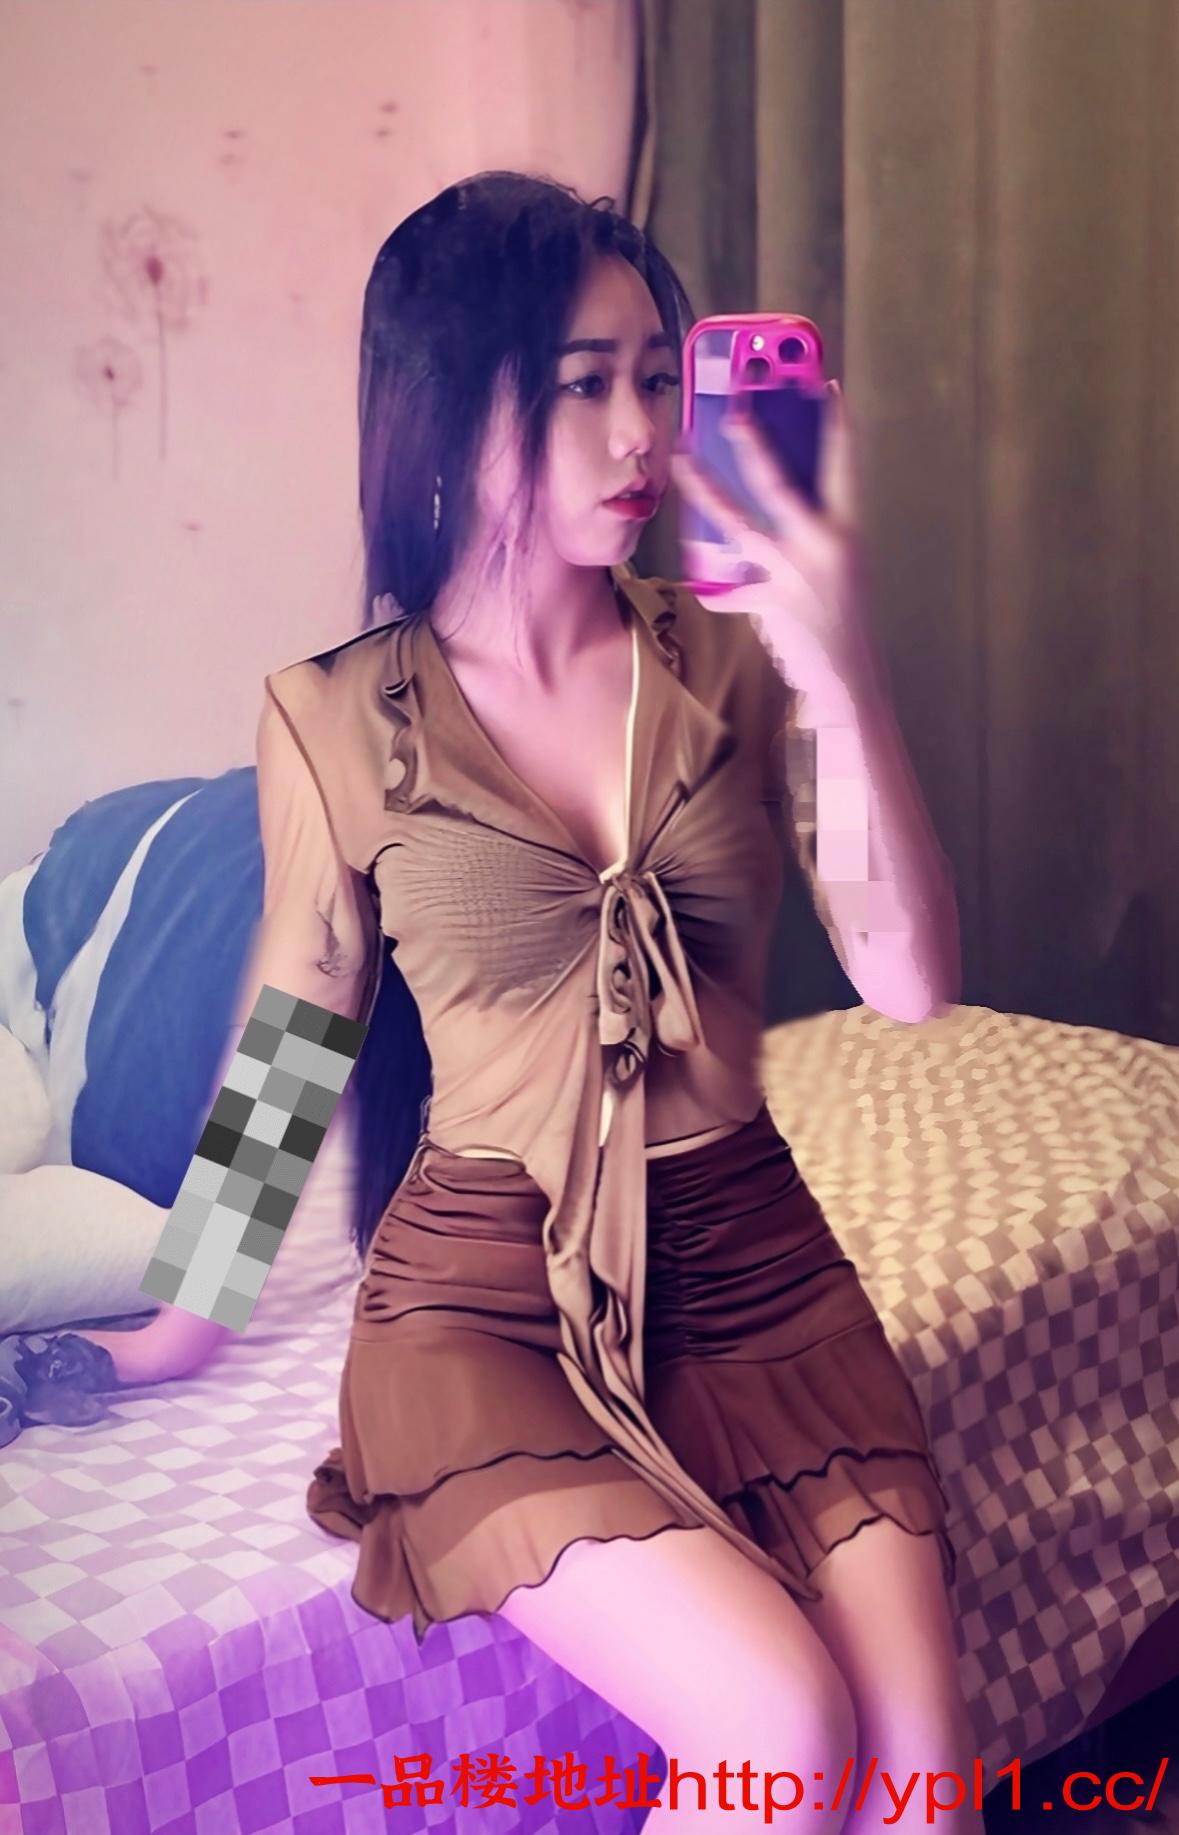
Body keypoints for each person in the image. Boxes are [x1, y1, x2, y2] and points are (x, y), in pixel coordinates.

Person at [79, 173, 979, 1833]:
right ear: (449, 404)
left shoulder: (738, 658)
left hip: (760, 1279)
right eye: (583, 384)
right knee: (782, 1731)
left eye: (659, 378)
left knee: (926, 1794)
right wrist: (178, 1330)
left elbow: (912, 986)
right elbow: (297, 1033)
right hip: (486, 1309)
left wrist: (840, 655)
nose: (643, 431)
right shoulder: (337, 719)